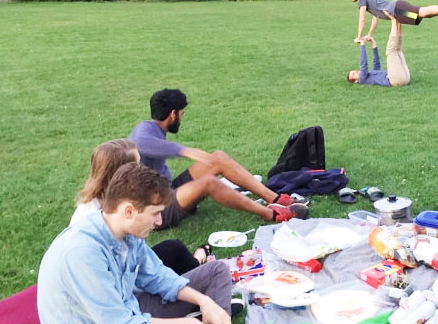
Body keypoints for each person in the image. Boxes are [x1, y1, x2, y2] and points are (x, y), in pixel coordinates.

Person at [38, 162, 260, 324]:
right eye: (155, 213)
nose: (159, 221)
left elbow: (159, 277)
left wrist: (204, 301)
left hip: (130, 309)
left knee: (217, 270)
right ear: (129, 211)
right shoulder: (82, 253)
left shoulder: (125, 232)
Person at [129, 89, 308, 230]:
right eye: (182, 114)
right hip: (157, 209)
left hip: (168, 189)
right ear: (173, 115)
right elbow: (140, 142)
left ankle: (275, 199)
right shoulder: (144, 130)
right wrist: (184, 151)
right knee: (209, 183)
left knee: (218, 158)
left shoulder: (152, 129)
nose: (181, 119)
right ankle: (271, 214)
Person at [71, 139, 208, 274]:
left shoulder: (115, 201)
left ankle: (197, 265)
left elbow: (138, 253)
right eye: (138, 165)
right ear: (122, 173)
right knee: (174, 257)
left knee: (174, 250)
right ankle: (199, 263)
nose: (143, 169)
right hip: (118, 278)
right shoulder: (92, 220)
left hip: (128, 269)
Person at [347, 20, 410, 87]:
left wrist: (373, 42)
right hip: (396, 81)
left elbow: (376, 62)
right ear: (356, 81)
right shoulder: (362, 79)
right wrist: (362, 44)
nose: (356, 72)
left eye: (354, 71)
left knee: (397, 50)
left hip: (404, 78)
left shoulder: (370, 75)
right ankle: (394, 21)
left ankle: (398, 21)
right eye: (353, 74)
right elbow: (364, 64)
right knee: (391, 51)